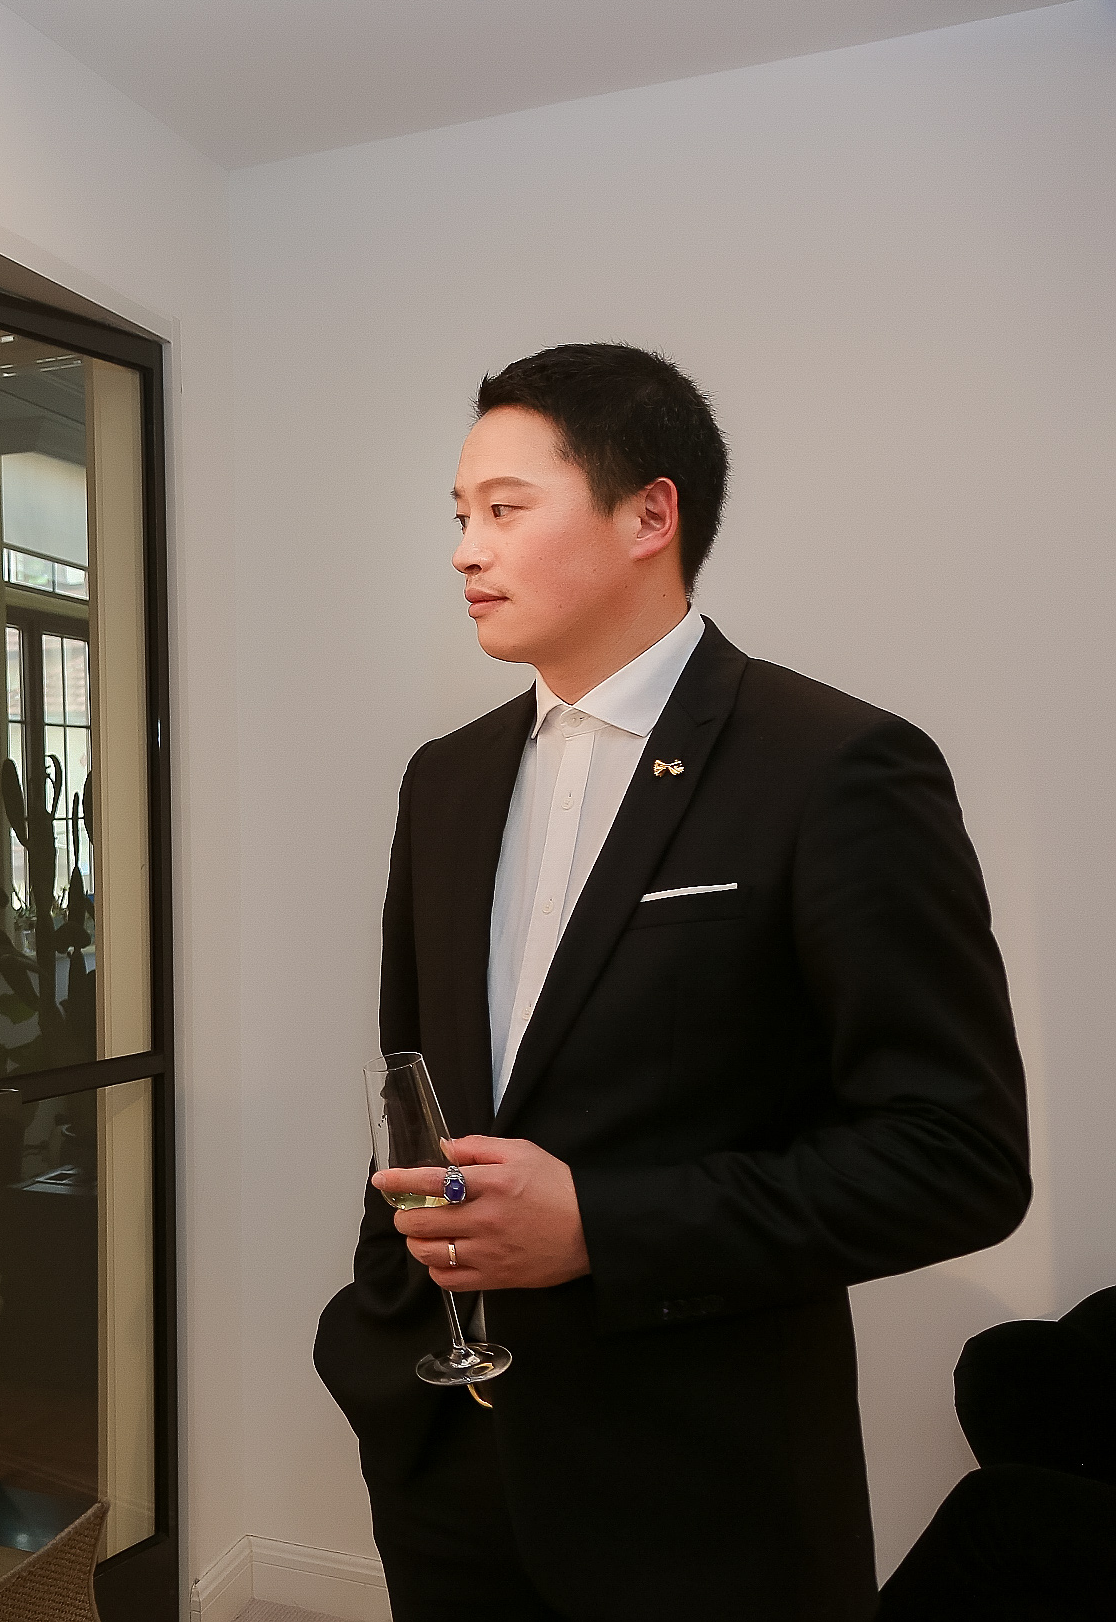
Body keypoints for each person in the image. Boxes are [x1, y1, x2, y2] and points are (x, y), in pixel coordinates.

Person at [312, 343, 1030, 1620]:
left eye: (505, 509)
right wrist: (376, 1334)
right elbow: (413, 1084)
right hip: (448, 1470)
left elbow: (956, 1155)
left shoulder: (834, 767)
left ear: (650, 513)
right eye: (459, 515)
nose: (466, 550)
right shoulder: (445, 778)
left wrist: (600, 1222)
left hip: (702, 1496)